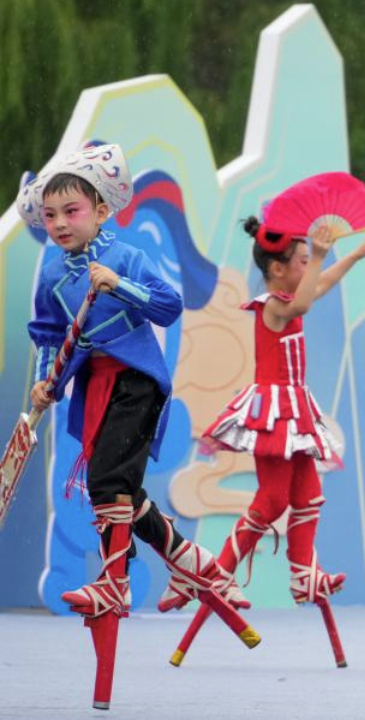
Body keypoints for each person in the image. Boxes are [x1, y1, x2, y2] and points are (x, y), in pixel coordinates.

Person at [22, 144, 232, 617]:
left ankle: (114, 582)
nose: (59, 223)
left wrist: (120, 285)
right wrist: (43, 381)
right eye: (50, 214)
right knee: (122, 492)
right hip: (94, 389)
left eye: (70, 211)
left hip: (137, 382)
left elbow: (168, 306)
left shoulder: (126, 256)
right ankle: (192, 560)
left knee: (106, 479)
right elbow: (49, 335)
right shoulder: (53, 272)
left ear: (99, 211)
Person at [202, 204, 365, 607]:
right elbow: (303, 303)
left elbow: (319, 287)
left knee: (310, 494)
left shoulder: (290, 295)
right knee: (273, 499)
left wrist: (351, 255)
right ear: (279, 269)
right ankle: (221, 573)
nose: (311, 267)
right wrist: (318, 254)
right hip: (274, 412)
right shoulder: (275, 305)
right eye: (302, 261)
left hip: (294, 408)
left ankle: (302, 575)